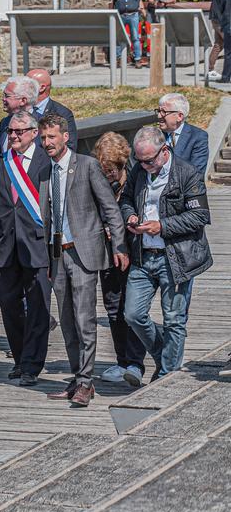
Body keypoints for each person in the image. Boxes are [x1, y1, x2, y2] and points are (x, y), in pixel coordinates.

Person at [37, 114, 128, 407]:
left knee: (84, 318)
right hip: (58, 253)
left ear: (66, 137)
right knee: (66, 320)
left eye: (52, 137)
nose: (47, 143)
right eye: (43, 138)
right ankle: (77, 378)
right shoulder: (45, 171)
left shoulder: (87, 166)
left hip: (83, 252)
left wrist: (119, 245)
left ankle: (87, 383)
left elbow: (110, 209)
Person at [121, 126, 212, 378]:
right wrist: (129, 215)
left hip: (176, 257)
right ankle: (164, 356)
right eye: (139, 160)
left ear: (164, 150)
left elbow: (199, 216)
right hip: (143, 254)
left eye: (149, 160)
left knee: (174, 319)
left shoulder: (187, 173)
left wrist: (162, 226)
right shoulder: (140, 170)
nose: (144, 165)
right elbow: (126, 198)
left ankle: (166, 377)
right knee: (133, 314)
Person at [0, 110, 51, 386]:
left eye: (19, 131)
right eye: (10, 131)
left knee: (37, 306)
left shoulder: (46, 161)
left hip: (37, 244)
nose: (13, 136)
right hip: (6, 244)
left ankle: (32, 365)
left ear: (34, 133)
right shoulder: (1, 161)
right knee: (8, 303)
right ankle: (21, 358)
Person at [94, 133, 148, 387]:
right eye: (104, 169)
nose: (108, 175)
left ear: (123, 164)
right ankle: (122, 360)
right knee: (113, 308)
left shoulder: (136, 180)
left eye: (112, 169)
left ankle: (136, 363)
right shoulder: (97, 179)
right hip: (106, 254)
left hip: (133, 252)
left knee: (132, 310)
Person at [156, 93, 209, 175]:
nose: (159, 116)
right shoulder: (155, 135)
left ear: (179, 116)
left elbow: (196, 173)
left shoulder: (198, 137)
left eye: (163, 112)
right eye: (158, 111)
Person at [26, 68, 78, 152]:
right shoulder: (20, 110)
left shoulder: (62, 113)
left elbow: (70, 147)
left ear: (41, 88)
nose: (22, 87)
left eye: (27, 84)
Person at [110, 0, 144, 67]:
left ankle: (137, 59)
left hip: (133, 14)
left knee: (135, 38)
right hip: (120, 14)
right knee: (118, 37)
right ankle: (119, 59)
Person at [0, 76, 40, 154]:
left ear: (23, 100)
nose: (3, 99)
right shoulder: (5, 123)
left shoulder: (42, 125)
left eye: (7, 96)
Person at [207, 0, 231, 81]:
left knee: (218, 45)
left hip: (215, 20)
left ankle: (210, 70)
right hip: (221, 22)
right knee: (228, 46)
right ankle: (224, 74)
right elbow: (225, 7)